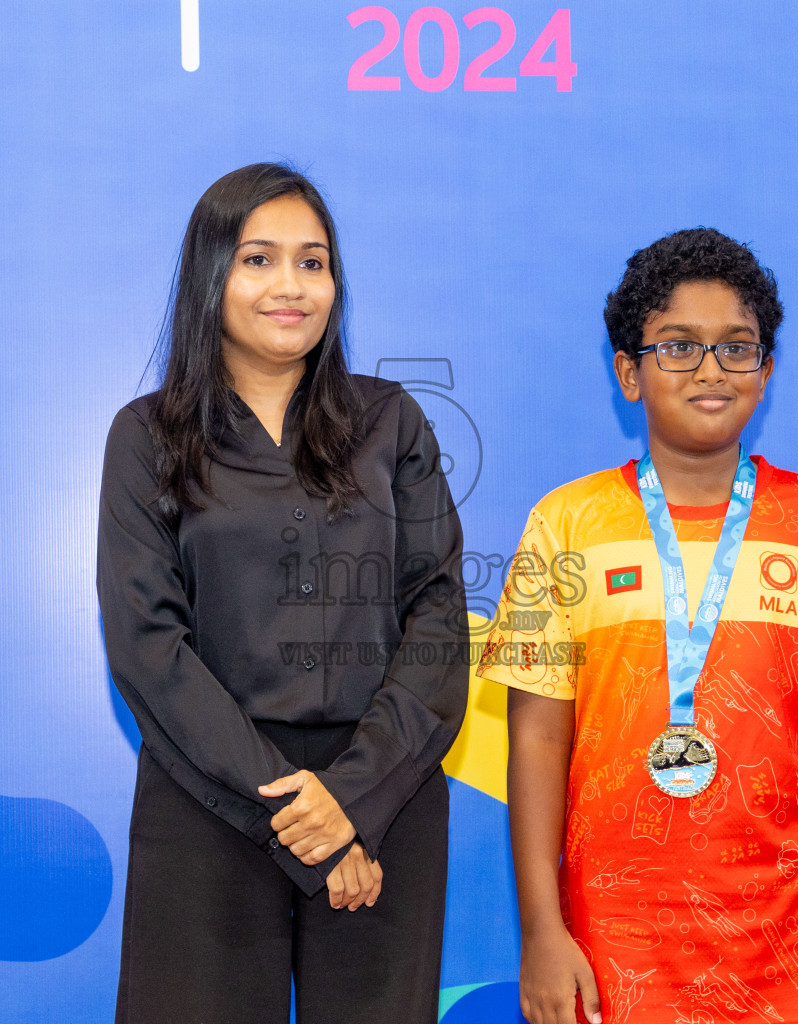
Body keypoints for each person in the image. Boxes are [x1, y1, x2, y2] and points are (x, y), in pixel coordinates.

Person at [479, 228, 798, 1024]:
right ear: (628, 373)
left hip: (795, 935)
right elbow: (538, 737)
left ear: (767, 371)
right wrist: (541, 928)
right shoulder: (566, 524)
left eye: (736, 348)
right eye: (677, 346)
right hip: (613, 940)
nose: (710, 369)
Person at [97, 162, 468, 1024]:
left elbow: (438, 620)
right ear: (210, 274)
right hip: (209, 800)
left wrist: (353, 802)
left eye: (314, 261)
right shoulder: (146, 436)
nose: (291, 286)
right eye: (259, 259)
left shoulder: (392, 422)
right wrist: (305, 817)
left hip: (386, 798)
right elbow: (150, 649)